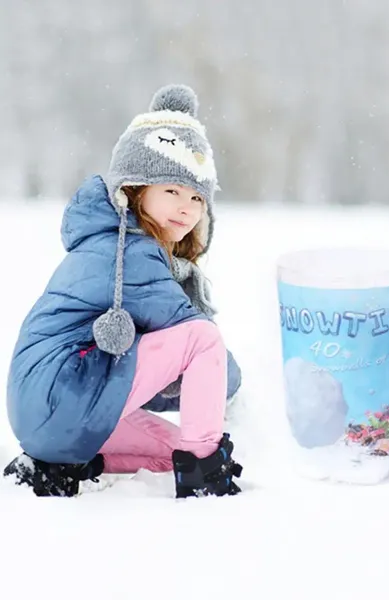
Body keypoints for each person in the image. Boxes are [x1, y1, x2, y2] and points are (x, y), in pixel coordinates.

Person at [3, 84, 243, 499]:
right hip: (67, 390)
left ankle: (59, 466)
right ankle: (207, 476)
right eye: (171, 190)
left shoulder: (110, 243)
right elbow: (195, 344)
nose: (186, 207)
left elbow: (153, 370)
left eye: (197, 197)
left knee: (175, 452)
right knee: (204, 340)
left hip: (47, 416)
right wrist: (232, 384)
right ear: (134, 190)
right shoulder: (130, 252)